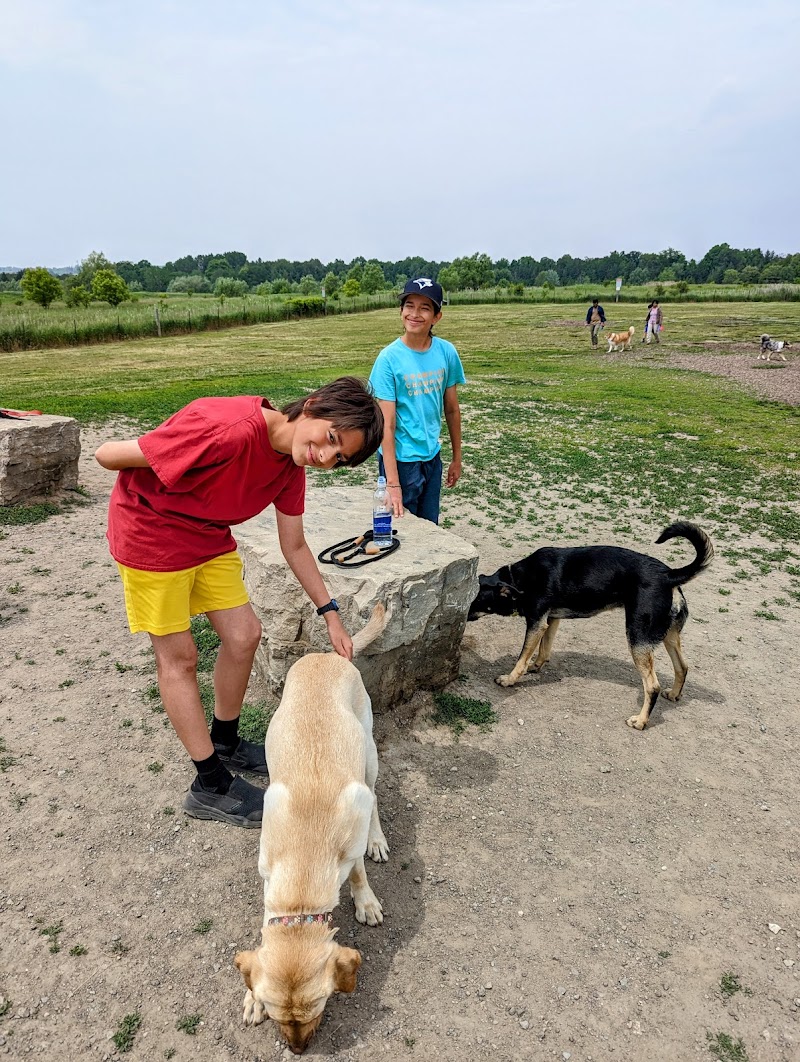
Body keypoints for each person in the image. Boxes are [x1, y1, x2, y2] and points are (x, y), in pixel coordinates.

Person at [95, 378, 383, 828]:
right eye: (331, 438)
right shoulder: (228, 429)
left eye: (339, 457)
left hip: (207, 537)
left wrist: (331, 613)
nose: (325, 457)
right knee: (180, 659)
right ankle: (209, 784)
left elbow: (296, 545)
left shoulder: (290, 468)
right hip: (150, 533)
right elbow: (107, 455)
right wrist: (160, 452)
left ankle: (225, 741)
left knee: (245, 635)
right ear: (313, 405)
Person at [368, 277, 465, 525]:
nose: (415, 313)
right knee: (400, 529)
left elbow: (452, 410)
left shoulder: (446, 352)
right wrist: (393, 483)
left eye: (425, 308)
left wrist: (457, 458)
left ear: (436, 317)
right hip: (401, 461)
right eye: (409, 305)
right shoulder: (388, 359)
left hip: (432, 456)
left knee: (429, 527)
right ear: (401, 311)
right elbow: (386, 426)